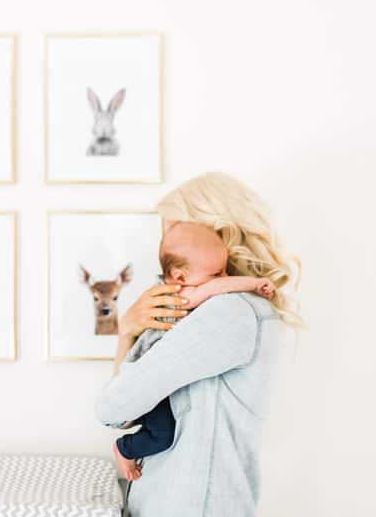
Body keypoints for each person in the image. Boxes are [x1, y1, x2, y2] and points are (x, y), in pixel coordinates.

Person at [95, 172, 302, 517]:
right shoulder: (227, 309)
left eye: (175, 229)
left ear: (218, 232)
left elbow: (113, 409)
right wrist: (128, 330)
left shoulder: (230, 311)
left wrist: (129, 333)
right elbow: (127, 413)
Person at [112, 221, 276, 480]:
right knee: (163, 434)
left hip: (156, 378)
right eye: (217, 272)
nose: (224, 278)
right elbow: (216, 288)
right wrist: (254, 284)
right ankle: (125, 448)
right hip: (147, 373)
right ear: (179, 277)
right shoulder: (180, 295)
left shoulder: (184, 288)